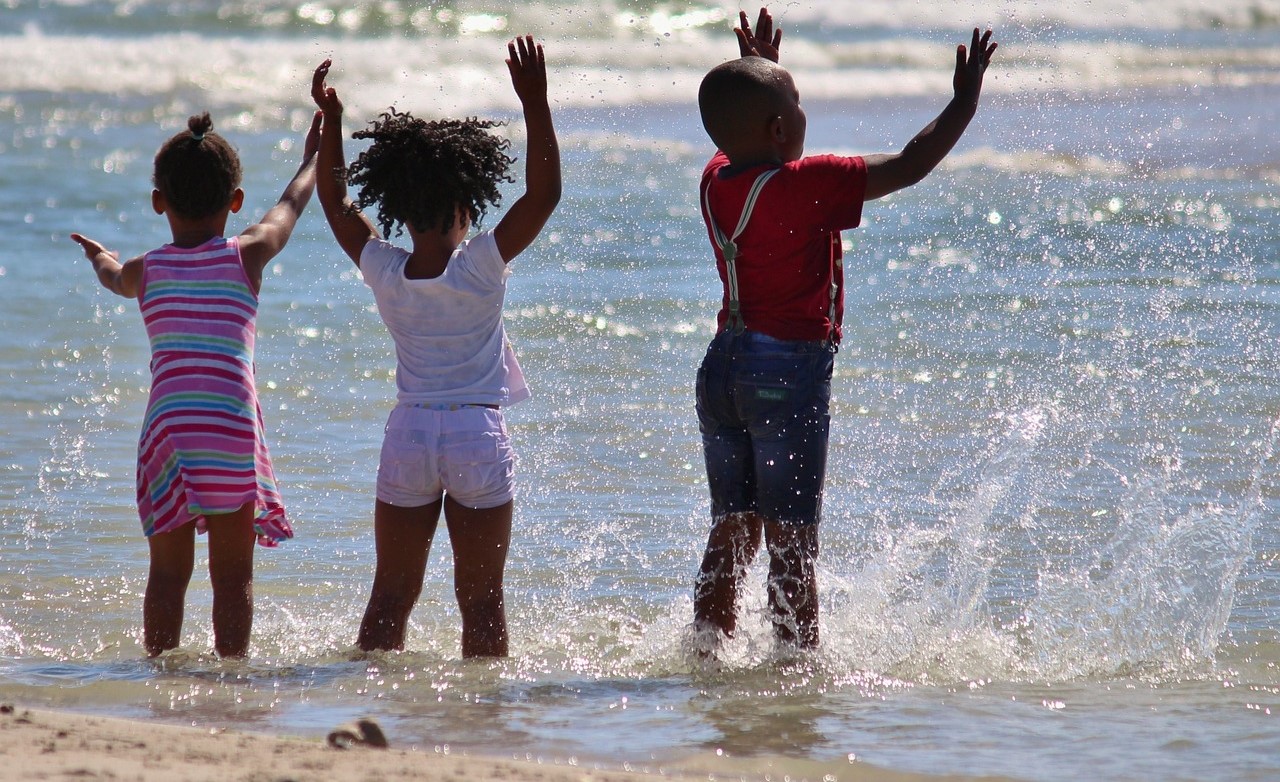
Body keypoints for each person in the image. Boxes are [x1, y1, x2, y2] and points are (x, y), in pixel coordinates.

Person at [692, 9, 997, 651]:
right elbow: (911, 164)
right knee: (793, 538)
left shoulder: (715, 179)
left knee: (735, 527)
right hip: (785, 374)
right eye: (797, 102)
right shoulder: (810, 183)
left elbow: (738, 132)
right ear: (780, 127)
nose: (805, 113)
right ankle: (795, 673)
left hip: (723, 370)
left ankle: (706, 650)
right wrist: (963, 105)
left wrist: (759, 73)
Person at [309, 35, 560, 657]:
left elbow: (336, 202)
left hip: (410, 435)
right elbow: (544, 195)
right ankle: (480, 718)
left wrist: (335, 122)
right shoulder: (479, 266)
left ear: (397, 206)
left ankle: (369, 698)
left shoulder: (385, 271)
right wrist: (536, 102)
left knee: (390, 596)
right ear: (464, 204)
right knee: (481, 603)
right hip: (476, 433)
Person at [71, 110, 321, 658]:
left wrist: (99, 256)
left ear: (159, 201)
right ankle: (231, 674)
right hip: (229, 430)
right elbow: (290, 208)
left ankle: (161, 671)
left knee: (166, 576)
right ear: (235, 201)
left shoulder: (148, 269)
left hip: (168, 435)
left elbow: (114, 279)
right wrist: (311, 160)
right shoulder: (246, 254)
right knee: (232, 578)